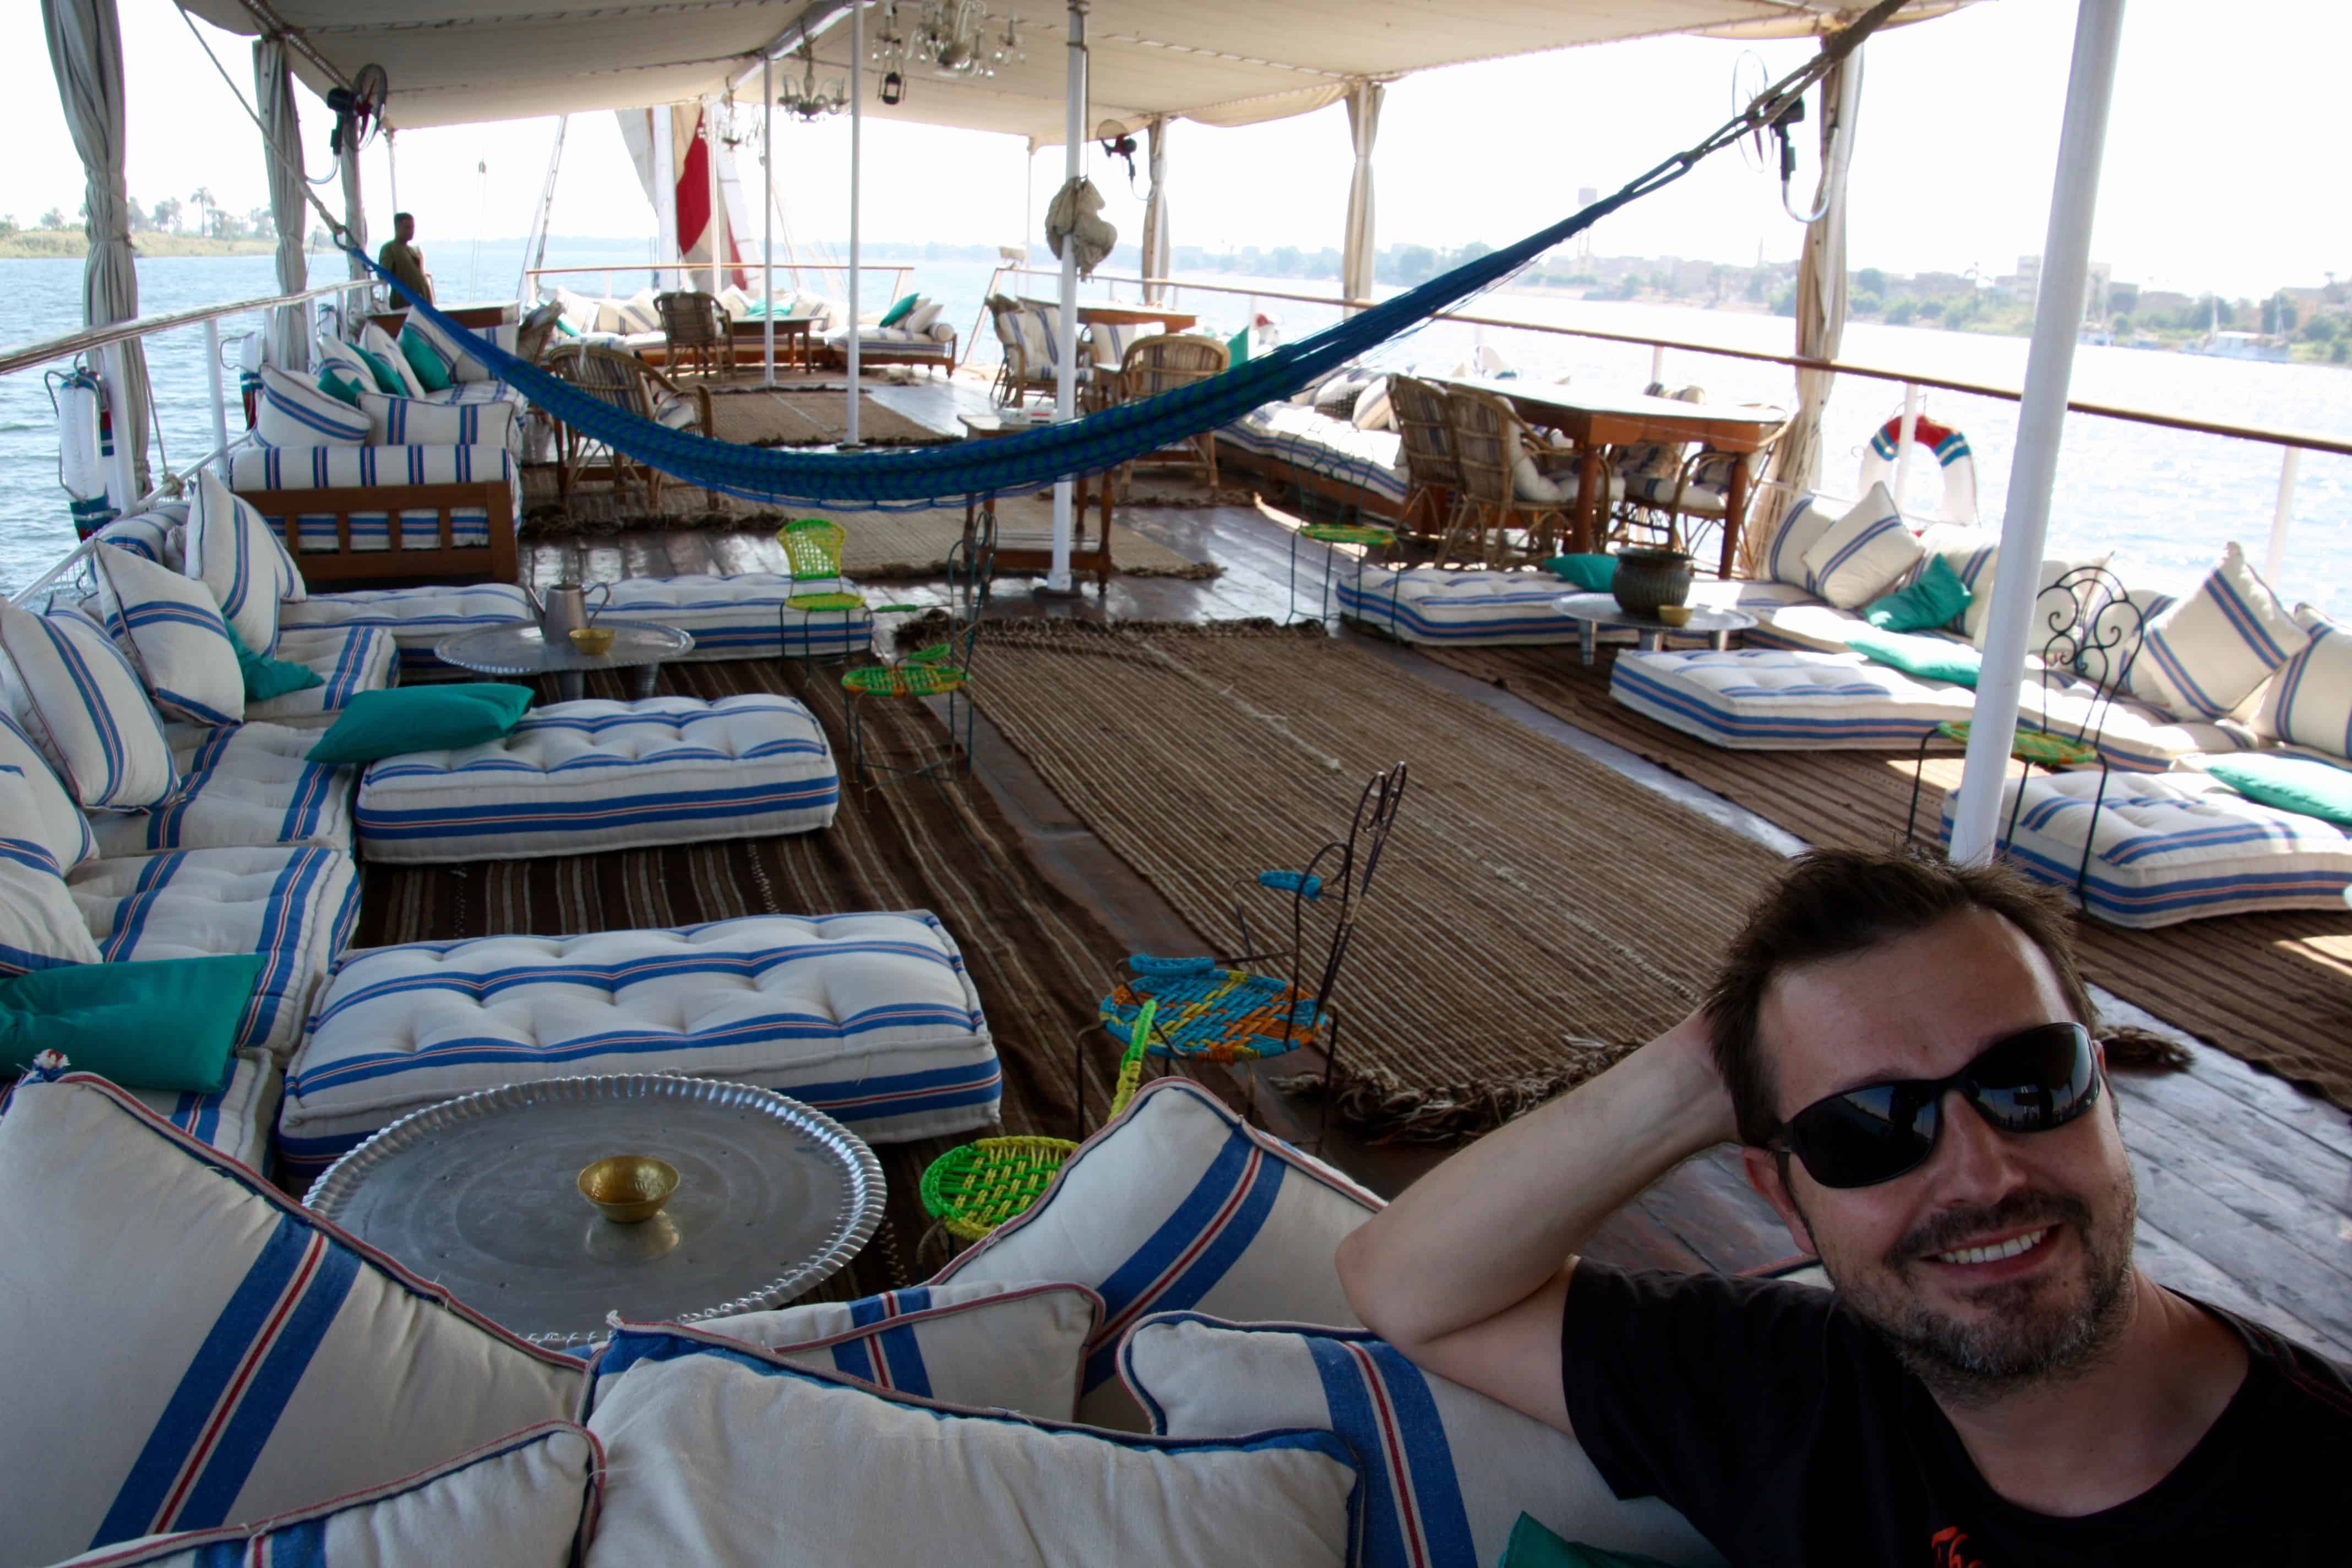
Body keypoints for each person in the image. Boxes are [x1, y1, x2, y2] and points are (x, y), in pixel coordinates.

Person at [1336, 847, 2349, 1565]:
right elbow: (1405, 1280)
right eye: (1866, 1127)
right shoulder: (1796, 1395)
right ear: (1783, 1194)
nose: (1983, 1172)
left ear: (2106, 1092)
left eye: (2028, 1077)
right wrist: (1704, 1068)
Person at [377, 212, 432, 305]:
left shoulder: (412, 250)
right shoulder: (390, 248)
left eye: (413, 227)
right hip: (406, 303)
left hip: (422, 301)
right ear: (398, 228)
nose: (412, 231)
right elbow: (383, 274)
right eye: (407, 228)